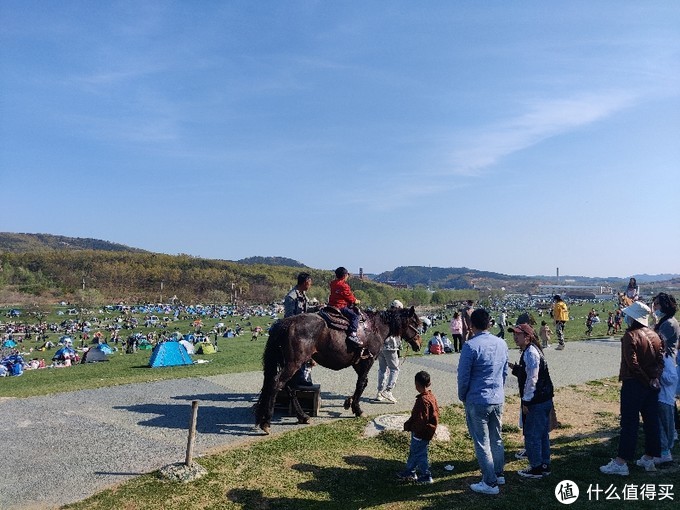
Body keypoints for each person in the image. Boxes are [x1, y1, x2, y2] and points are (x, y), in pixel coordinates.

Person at [600, 301, 664, 475]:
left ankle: (621, 462)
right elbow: (660, 361)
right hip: (651, 385)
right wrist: (654, 379)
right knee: (651, 422)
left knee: (629, 423)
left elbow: (632, 364)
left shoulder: (630, 335)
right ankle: (650, 458)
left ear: (633, 317)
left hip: (634, 384)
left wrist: (645, 379)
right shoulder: (654, 335)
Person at [457, 308, 509, 495]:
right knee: (497, 438)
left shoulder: (470, 346)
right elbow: (504, 372)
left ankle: (490, 482)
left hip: (477, 398)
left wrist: (463, 395)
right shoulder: (501, 343)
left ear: (471, 325)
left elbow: (463, 377)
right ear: (489, 323)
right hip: (497, 397)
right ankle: (498, 472)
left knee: (482, 441)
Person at [508, 323, 554, 479]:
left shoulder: (531, 353)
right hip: (543, 398)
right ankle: (544, 464)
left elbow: (532, 380)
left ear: (527, 336)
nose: (515, 337)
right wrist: (513, 367)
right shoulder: (531, 351)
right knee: (541, 434)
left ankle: (536, 468)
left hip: (537, 400)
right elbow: (527, 373)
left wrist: (526, 401)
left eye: (518, 335)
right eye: (514, 334)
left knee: (532, 434)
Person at [397, 370, 439, 484]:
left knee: (420, 454)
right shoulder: (431, 396)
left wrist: (411, 427)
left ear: (417, 385)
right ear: (429, 383)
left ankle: (426, 475)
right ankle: (410, 471)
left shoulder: (422, 401)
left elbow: (421, 420)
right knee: (415, 451)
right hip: (426, 431)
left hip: (420, 433)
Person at [652, 292, 679, 463]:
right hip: (666, 366)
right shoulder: (667, 322)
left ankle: (664, 450)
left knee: (662, 409)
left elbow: (656, 342)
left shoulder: (669, 323)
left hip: (666, 367)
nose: (655, 308)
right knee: (665, 407)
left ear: (665, 306)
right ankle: (667, 443)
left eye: (657, 305)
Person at [284, 272, 320, 385]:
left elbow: (306, 308)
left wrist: (316, 308)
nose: (310, 285)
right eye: (309, 283)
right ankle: (298, 378)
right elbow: (290, 316)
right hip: (294, 331)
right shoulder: (291, 297)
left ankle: (304, 377)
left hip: (302, 329)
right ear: (305, 282)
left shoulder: (303, 294)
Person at [376, 300, 403, 404]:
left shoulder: (383, 315)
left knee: (382, 369)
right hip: (391, 345)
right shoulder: (396, 318)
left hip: (381, 345)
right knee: (394, 369)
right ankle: (388, 390)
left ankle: (379, 392)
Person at [328, 267, 362, 347]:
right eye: (347, 275)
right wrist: (357, 301)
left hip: (331, 305)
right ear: (344, 276)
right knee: (355, 316)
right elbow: (350, 298)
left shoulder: (332, 283)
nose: (348, 276)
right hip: (340, 306)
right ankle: (353, 334)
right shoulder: (344, 286)